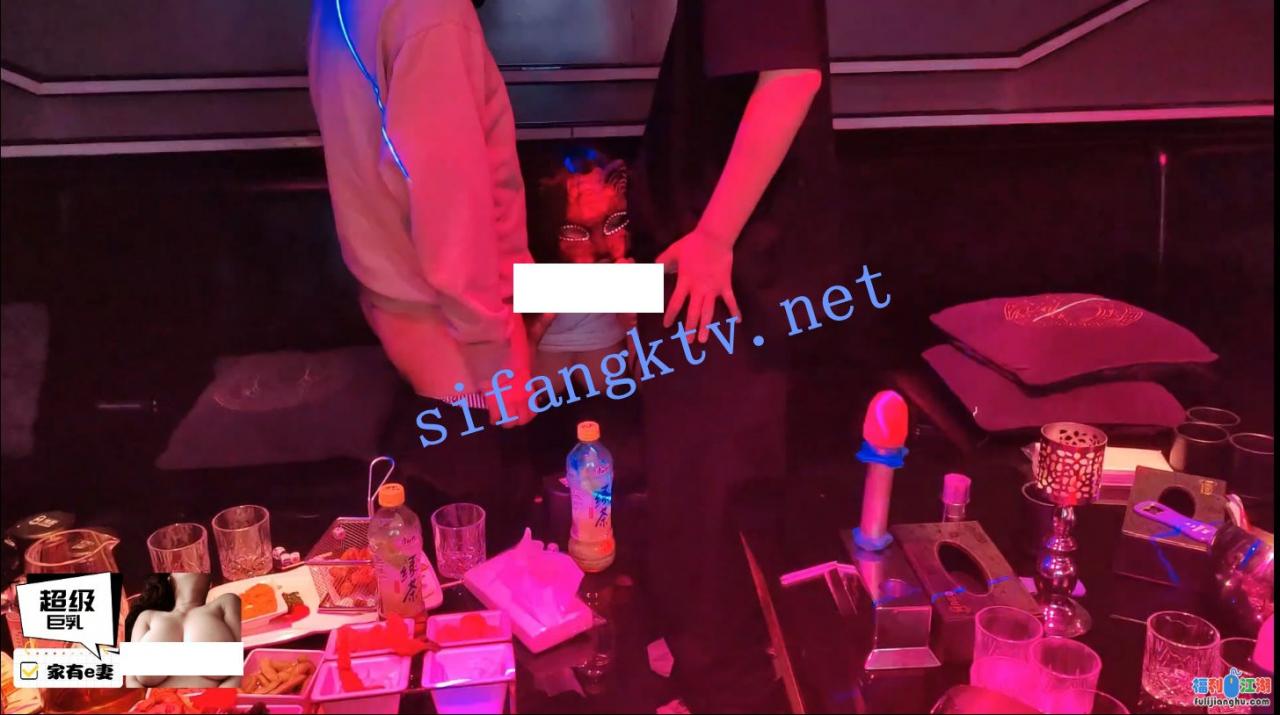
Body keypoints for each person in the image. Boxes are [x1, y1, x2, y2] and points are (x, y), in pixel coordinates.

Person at [628, 0, 839, 707]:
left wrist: (714, 236)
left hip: (720, 288)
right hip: (701, 278)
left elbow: (791, 79)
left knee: (709, 528)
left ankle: (722, 689)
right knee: (698, 520)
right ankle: (702, 678)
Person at [308, 0, 537, 530]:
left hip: (403, 312)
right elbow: (450, 206)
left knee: (430, 553)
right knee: (483, 555)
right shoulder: (433, 13)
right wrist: (497, 360)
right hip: (455, 343)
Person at [124, 573, 241, 689]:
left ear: (209, 583)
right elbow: (131, 680)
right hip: (155, 700)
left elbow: (239, 672)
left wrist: (218, 699)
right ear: (170, 579)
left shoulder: (225, 603)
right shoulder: (146, 617)